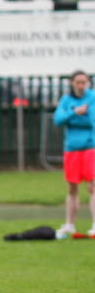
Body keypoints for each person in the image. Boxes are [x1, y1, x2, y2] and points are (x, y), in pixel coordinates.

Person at [53, 70, 95, 237]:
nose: (81, 85)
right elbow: (58, 119)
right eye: (78, 82)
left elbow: (91, 120)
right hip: (71, 148)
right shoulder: (66, 100)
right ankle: (70, 224)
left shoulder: (91, 97)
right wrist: (74, 113)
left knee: (92, 186)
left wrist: (74, 117)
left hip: (90, 147)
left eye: (84, 82)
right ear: (72, 83)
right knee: (71, 187)